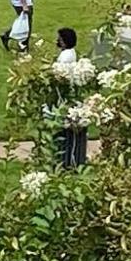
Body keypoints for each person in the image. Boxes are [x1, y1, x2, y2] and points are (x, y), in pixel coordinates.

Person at [53, 27, 88, 169]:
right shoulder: (69, 53)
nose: (57, 41)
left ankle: (67, 161)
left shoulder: (66, 56)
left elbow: (59, 74)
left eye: (60, 39)